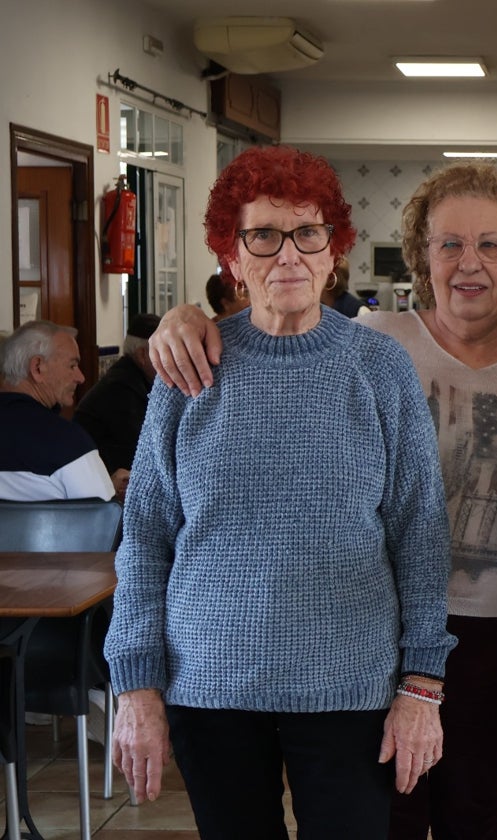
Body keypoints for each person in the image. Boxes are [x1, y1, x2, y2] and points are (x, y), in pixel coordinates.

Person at [141, 159, 497, 840]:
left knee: (473, 809)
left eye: (491, 244)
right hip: (325, 644)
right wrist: (178, 321)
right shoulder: (374, 339)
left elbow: (422, 523)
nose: (468, 261)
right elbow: (150, 532)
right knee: (391, 816)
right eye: (448, 243)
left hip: (480, 623)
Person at [102, 145, 456, 838]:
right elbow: (144, 539)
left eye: (308, 232)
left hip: (350, 686)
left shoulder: (380, 368)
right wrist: (135, 685)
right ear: (231, 256)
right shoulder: (189, 366)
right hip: (210, 688)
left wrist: (423, 685)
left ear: (334, 252)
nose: (287, 254)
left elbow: (420, 533)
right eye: (262, 235)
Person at [0, 320, 115, 502]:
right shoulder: (68, 443)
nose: (81, 377)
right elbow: (105, 521)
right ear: (37, 367)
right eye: (72, 365)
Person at [73, 313, 161, 489]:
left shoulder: (133, 378)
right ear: (143, 354)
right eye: (164, 352)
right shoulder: (121, 388)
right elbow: (141, 452)